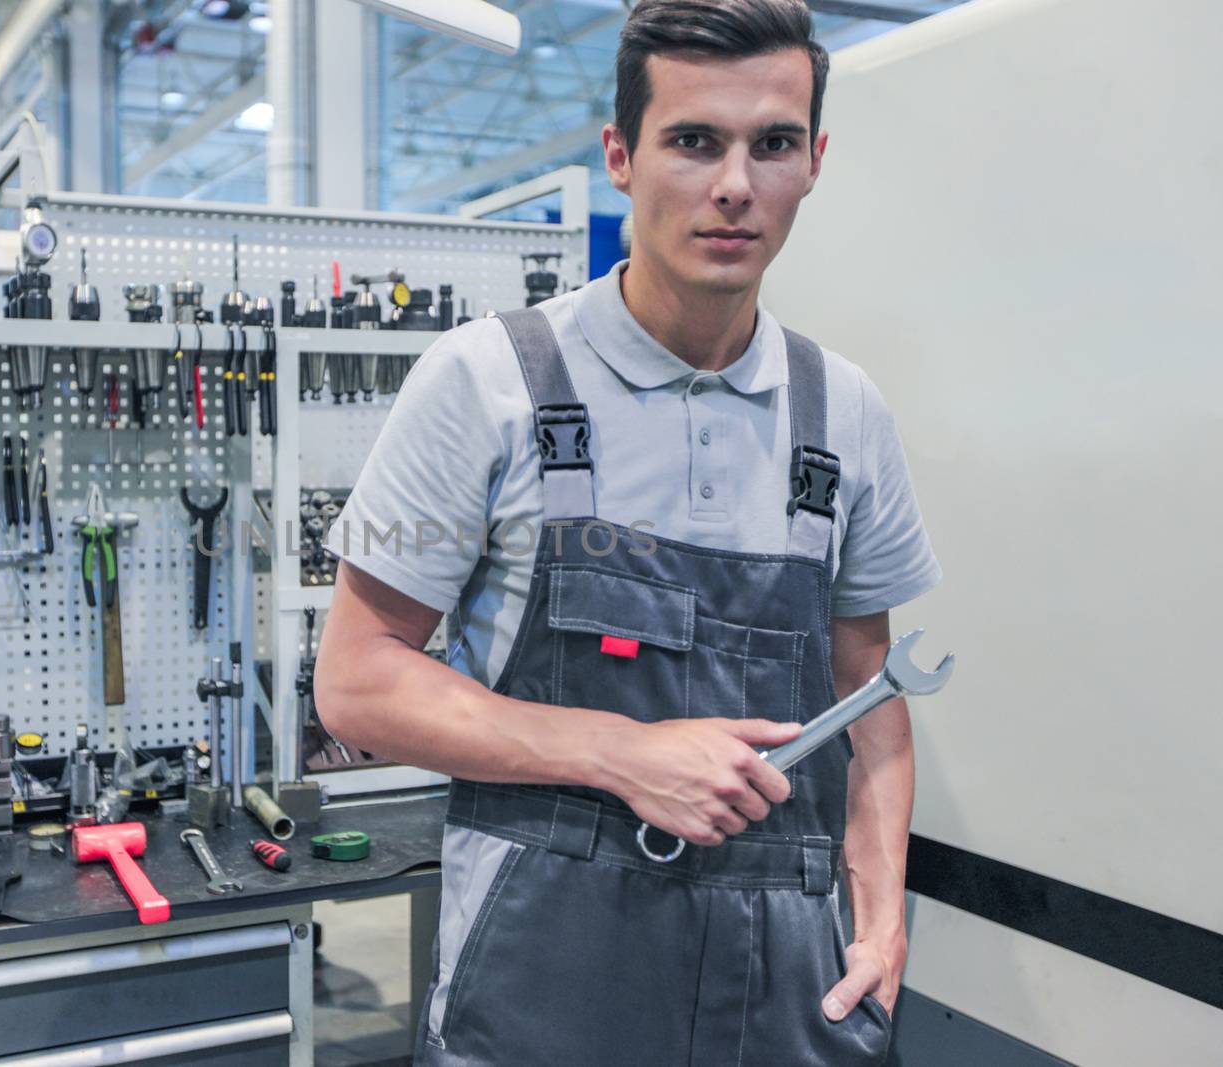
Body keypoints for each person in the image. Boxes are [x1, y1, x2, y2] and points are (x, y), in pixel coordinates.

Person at [314, 1, 941, 1061]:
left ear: (813, 160)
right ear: (620, 154)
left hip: (785, 1002)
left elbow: (869, 698)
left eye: (772, 144)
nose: (734, 184)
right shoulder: (485, 383)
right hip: (541, 995)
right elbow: (358, 682)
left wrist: (878, 917)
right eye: (694, 141)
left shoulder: (846, 415)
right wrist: (621, 754)